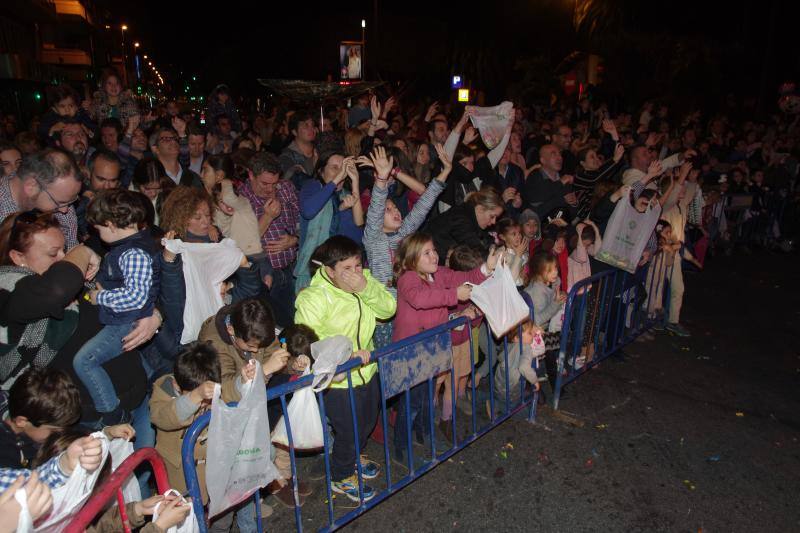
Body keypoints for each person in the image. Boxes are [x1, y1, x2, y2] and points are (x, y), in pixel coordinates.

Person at [294, 236, 396, 502]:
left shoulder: (364, 282)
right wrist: (345, 355)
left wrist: (366, 288)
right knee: (348, 430)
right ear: (328, 270)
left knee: (366, 423)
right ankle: (340, 476)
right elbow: (308, 341)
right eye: (346, 269)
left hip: (367, 371)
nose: (354, 274)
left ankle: (353, 457)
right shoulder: (314, 298)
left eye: (357, 265)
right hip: (338, 380)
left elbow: (388, 309)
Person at [392, 234, 497, 449]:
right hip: (411, 351)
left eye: (434, 250)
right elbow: (421, 299)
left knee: (426, 397)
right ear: (412, 259)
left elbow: (465, 276)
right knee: (411, 401)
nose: (434, 256)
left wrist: (487, 268)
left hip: (433, 348)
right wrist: (454, 295)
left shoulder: (439, 273)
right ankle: (402, 444)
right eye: (427, 253)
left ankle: (424, 434)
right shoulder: (408, 278)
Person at [73, 189, 159, 426]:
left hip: (125, 321)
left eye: (98, 230)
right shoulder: (128, 248)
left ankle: (112, 413)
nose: (97, 236)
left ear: (110, 225)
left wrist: (98, 297)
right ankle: (151, 380)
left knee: (85, 361)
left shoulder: (133, 253)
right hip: (123, 319)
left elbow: (136, 296)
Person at [361, 145, 450, 346]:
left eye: (395, 208)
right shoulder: (373, 239)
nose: (395, 212)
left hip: (408, 311)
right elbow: (375, 208)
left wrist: (445, 172)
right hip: (385, 317)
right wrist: (382, 180)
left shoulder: (403, 235)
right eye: (388, 210)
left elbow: (423, 205)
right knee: (389, 366)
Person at [238, 152, 300, 327]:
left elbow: (304, 223)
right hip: (265, 276)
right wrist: (268, 216)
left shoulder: (286, 188)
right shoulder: (240, 200)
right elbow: (244, 244)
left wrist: (295, 239)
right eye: (264, 183)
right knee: (272, 326)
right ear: (251, 175)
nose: (270, 189)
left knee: (297, 323)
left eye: (274, 183)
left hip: (292, 269)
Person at [295, 151, 364, 291]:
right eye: (335, 167)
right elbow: (308, 211)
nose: (342, 172)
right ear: (321, 171)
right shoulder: (312, 187)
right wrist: (336, 180)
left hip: (341, 274)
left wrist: (355, 182)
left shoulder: (345, 196)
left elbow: (356, 237)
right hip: (311, 271)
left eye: (344, 168)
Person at [0, 149, 81, 250]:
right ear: (31, 187)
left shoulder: (61, 197)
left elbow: (72, 249)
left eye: (70, 202)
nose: (65, 210)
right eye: (61, 203)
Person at [0, 367, 81, 468]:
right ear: (21, 421)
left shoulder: (45, 419)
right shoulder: (5, 455)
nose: (61, 433)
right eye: (53, 431)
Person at [425, 188, 504, 263]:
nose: (494, 222)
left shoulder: (469, 214)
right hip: (430, 263)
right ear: (480, 209)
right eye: (492, 216)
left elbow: (485, 240)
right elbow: (476, 251)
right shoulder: (460, 218)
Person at [522, 144, 576, 221]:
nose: (559, 158)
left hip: (561, 225)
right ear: (543, 160)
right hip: (538, 226)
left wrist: (574, 203)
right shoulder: (534, 176)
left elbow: (572, 213)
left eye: (560, 154)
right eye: (553, 154)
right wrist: (560, 185)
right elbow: (536, 199)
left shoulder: (564, 179)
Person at [279, 111, 317, 183]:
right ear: (294, 132)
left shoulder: (319, 149)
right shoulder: (287, 156)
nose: (311, 129)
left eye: (312, 125)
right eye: (306, 126)